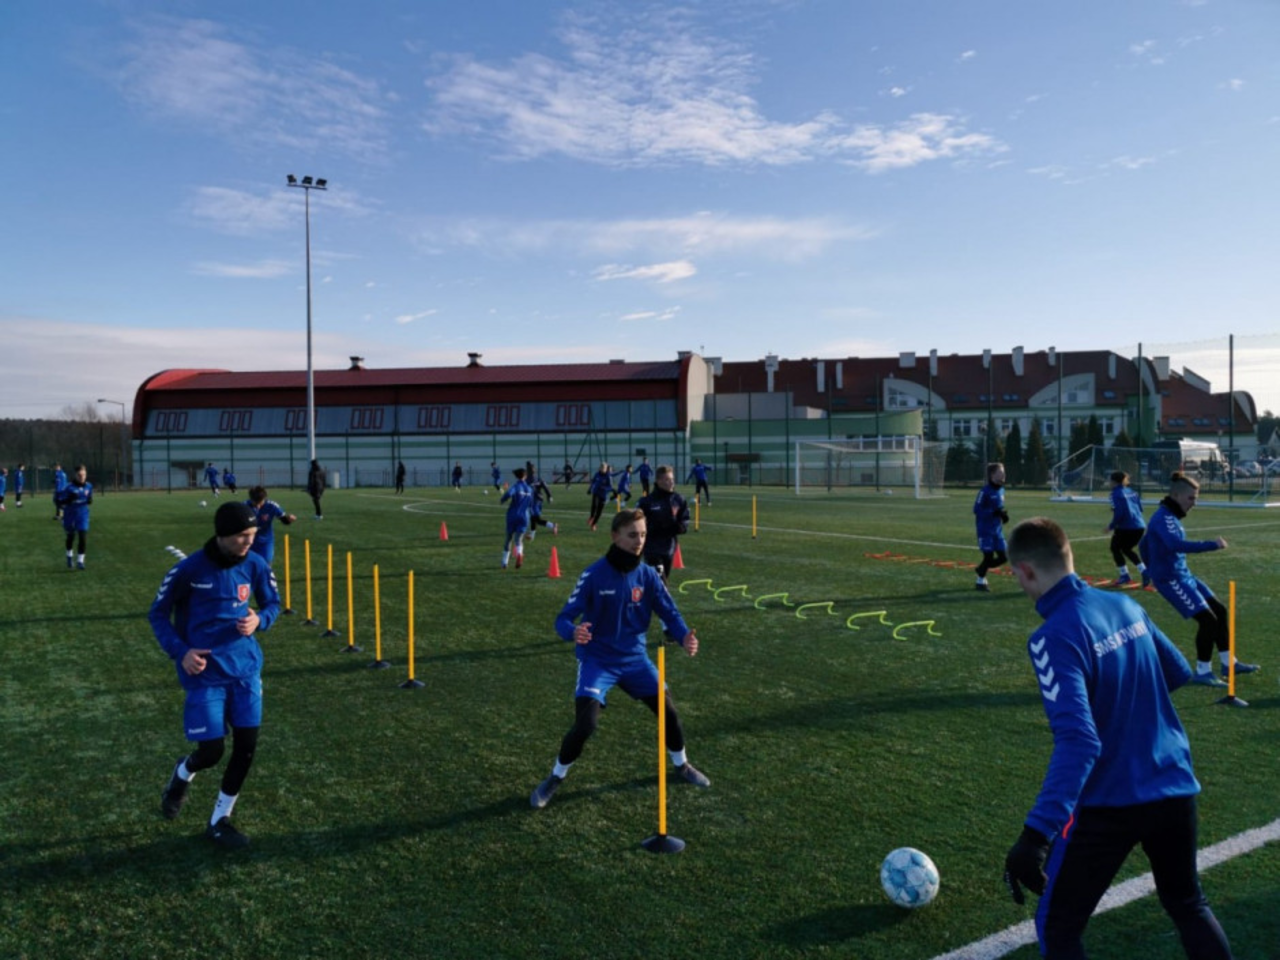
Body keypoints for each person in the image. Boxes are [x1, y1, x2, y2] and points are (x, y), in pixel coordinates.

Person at [1001, 517, 1233, 960]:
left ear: (1025, 570)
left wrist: (1035, 835)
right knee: (1188, 904)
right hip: (1173, 784)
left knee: (1057, 927)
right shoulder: (1124, 605)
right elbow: (1176, 671)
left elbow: (1080, 742)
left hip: (1110, 802)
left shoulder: (1053, 636)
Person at [530, 509, 710, 809]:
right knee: (586, 725)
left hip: (635, 660)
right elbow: (562, 619)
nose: (639, 541)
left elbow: (670, 613)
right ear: (615, 536)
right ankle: (555, 777)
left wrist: (684, 638)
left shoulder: (649, 576)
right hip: (598, 661)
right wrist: (573, 632)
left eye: (643, 535)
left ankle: (682, 765)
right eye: (632, 535)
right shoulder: (593, 574)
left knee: (669, 711)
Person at [150, 501, 282, 850]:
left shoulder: (256, 564)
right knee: (211, 751)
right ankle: (182, 773)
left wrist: (260, 619)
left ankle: (219, 820)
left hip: (245, 669)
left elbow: (274, 603)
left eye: (253, 534)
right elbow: (158, 614)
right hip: (205, 673)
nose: (249, 541)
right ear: (222, 534)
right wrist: (181, 652)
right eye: (242, 535)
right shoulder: (188, 570)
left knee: (246, 747)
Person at [1141, 472, 1258, 685]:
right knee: (1208, 621)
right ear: (1176, 496)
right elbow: (1175, 545)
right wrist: (1212, 545)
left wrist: (1147, 569)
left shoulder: (1171, 516)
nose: (1194, 503)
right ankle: (1203, 672)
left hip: (1185, 575)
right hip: (1171, 580)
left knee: (1219, 611)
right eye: (1191, 498)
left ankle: (1229, 663)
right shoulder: (1163, 518)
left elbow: (1144, 543)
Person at [636, 465, 689, 582]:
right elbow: (636, 524)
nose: (671, 482)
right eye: (667, 479)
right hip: (652, 549)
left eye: (672, 479)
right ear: (658, 481)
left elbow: (684, 520)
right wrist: (653, 528)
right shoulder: (647, 502)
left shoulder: (678, 499)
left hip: (669, 548)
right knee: (660, 582)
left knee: (659, 584)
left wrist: (680, 527)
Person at [1104, 470, 1148, 588]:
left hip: (1126, 527)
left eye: (1110, 480)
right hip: (1140, 526)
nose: (1109, 482)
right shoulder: (1132, 492)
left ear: (1114, 482)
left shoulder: (1114, 494)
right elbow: (1140, 508)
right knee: (1126, 549)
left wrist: (1111, 526)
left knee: (1115, 548)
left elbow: (1120, 513)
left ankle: (1125, 575)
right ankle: (1144, 571)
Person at [972, 461, 1009, 592]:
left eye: (1004, 472)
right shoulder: (984, 491)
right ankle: (980, 581)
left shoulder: (1002, 490)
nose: (1004, 474)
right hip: (985, 530)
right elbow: (976, 510)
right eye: (1001, 472)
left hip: (997, 530)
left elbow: (998, 508)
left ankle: (980, 569)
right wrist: (993, 513)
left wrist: (1002, 515)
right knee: (988, 556)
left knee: (1004, 557)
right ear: (992, 475)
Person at [246, 486, 296, 565]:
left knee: (266, 563)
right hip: (249, 541)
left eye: (260, 502)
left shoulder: (272, 506)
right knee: (249, 564)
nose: (258, 506)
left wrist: (289, 519)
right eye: (255, 503)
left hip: (266, 541)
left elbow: (284, 520)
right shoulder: (244, 506)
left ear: (264, 498)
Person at [56, 464, 93, 569]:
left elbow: (89, 497)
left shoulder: (89, 486)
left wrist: (90, 500)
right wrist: (69, 500)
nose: (82, 477)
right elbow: (59, 501)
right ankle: (69, 556)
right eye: (79, 475)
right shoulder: (68, 488)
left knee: (83, 536)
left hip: (83, 515)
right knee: (71, 537)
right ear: (75, 475)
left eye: (84, 475)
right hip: (70, 515)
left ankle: (80, 561)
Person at [500, 467, 535, 569]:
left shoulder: (516, 486)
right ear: (525, 476)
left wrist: (503, 499)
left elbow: (508, 493)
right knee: (518, 539)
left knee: (508, 538)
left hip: (513, 515)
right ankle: (519, 554)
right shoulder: (530, 489)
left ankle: (504, 562)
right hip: (525, 516)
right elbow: (531, 505)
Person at [527, 467, 558, 539]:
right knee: (533, 518)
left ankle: (553, 525)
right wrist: (549, 496)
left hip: (535, 501)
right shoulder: (537, 479)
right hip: (538, 501)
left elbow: (545, 487)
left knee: (536, 519)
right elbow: (545, 487)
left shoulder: (529, 480)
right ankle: (532, 535)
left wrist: (549, 496)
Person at [586, 462, 613, 531]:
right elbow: (593, 482)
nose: (602, 469)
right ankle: (591, 517)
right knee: (594, 505)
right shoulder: (597, 474)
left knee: (599, 511)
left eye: (604, 468)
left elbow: (610, 487)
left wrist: (604, 488)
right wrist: (590, 489)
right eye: (601, 467)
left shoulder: (608, 476)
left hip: (603, 495)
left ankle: (593, 524)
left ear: (606, 469)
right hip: (596, 493)